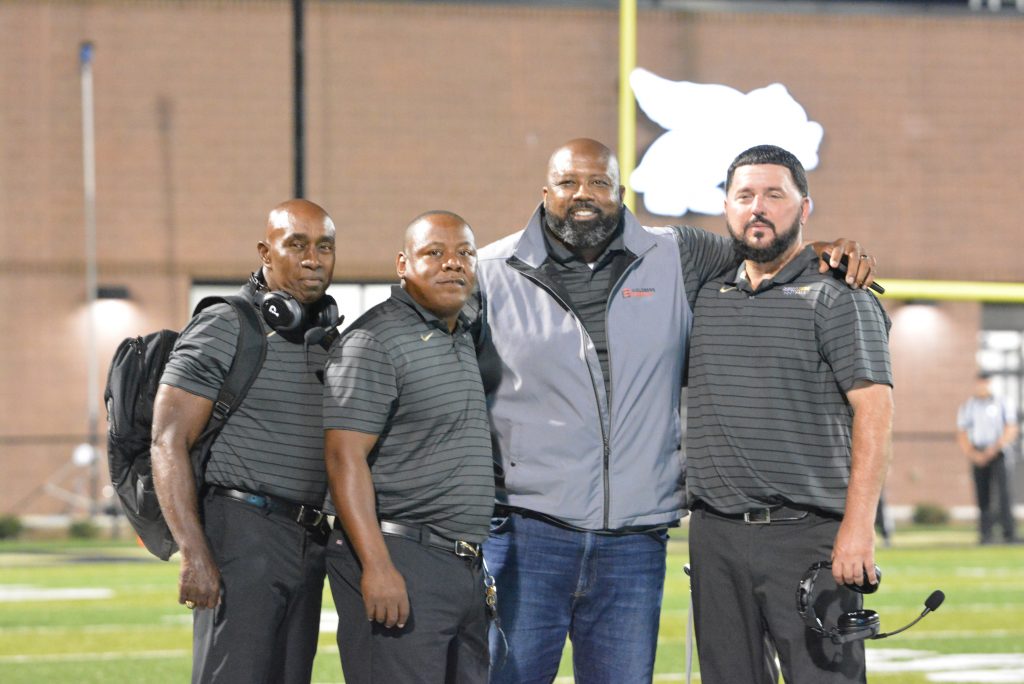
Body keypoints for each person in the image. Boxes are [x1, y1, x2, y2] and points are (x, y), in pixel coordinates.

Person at [473, 138, 877, 683]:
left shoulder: (677, 253)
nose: (583, 194)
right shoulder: (489, 272)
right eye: (568, 182)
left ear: (621, 192)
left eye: (599, 182)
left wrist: (823, 250)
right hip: (530, 533)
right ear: (545, 192)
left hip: (634, 542)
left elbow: (765, 245)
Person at [684, 144, 894, 684]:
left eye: (774, 195)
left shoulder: (841, 296)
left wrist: (858, 529)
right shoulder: (703, 294)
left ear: (804, 209)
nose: (757, 207)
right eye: (744, 196)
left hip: (807, 536)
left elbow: (875, 411)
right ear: (726, 207)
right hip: (715, 536)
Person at [151, 198, 338, 684]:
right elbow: (167, 441)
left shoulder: (323, 338)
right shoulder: (227, 323)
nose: (313, 259)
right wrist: (193, 552)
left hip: (308, 541)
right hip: (242, 534)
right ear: (265, 252)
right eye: (296, 245)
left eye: (324, 247)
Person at [323, 211, 494, 683]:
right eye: (434, 253)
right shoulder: (374, 340)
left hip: (462, 563)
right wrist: (377, 566)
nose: (453, 263)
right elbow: (343, 457)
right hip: (401, 554)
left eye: (464, 253)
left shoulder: (460, 333)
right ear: (403, 264)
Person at [957, 373, 1019, 544]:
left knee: (1004, 493)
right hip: (977, 452)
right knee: (982, 495)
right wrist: (973, 454)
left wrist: (993, 450)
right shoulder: (968, 406)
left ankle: (1009, 533)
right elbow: (962, 433)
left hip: (999, 452)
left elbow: (1011, 428)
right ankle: (986, 534)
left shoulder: (1003, 403)